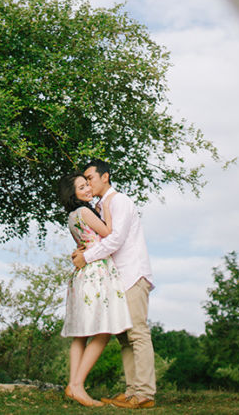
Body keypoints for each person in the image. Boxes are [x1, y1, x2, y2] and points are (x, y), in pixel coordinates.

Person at [72, 160, 155, 410]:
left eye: (90, 178)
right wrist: (81, 251)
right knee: (125, 338)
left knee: (138, 333)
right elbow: (99, 239)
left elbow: (116, 239)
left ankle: (145, 393)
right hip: (116, 279)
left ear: (105, 177)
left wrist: (86, 257)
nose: (88, 184)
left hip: (132, 274)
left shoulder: (119, 201)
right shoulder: (99, 207)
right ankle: (132, 392)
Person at [58, 172, 132, 408]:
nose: (88, 189)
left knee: (81, 334)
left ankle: (73, 385)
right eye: (81, 187)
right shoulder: (85, 212)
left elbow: (83, 242)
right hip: (96, 272)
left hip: (82, 274)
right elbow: (109, 233)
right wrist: (107, 209)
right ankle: (77, 385)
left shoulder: (71, 216)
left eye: (87, 184)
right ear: (73, 194)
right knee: (103, 331)